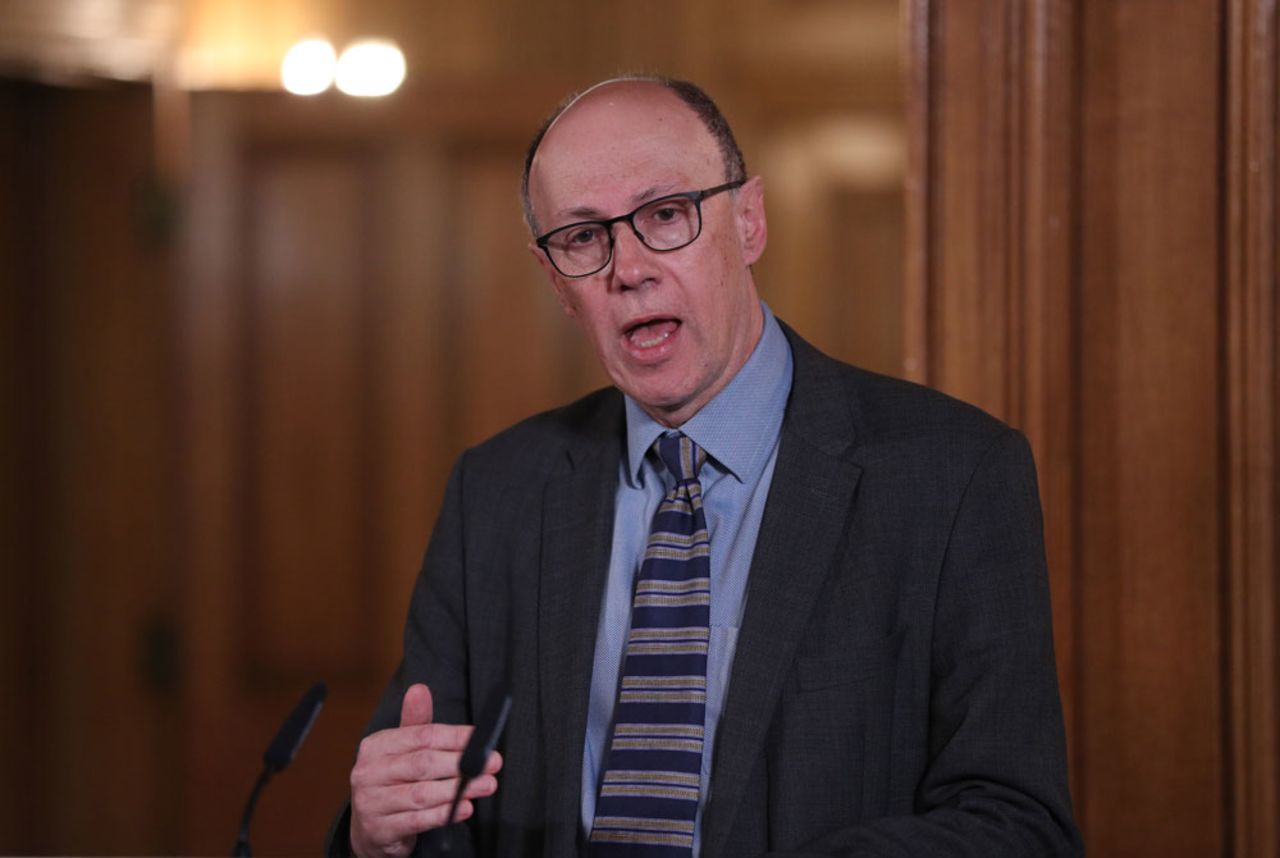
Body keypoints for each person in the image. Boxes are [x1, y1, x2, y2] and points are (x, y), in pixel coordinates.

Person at [328, 76, 1082, 857]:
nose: (629, 268)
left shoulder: (951, 475)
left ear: (748, 221)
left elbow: (1019, 825)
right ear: (556, 281)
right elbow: (425, 805)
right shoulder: (496, 493)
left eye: (665, 215)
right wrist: (376, 833)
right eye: (584, 238)